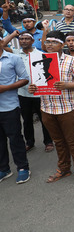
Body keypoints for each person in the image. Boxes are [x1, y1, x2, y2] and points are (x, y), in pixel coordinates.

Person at [28, 30, 74, 185]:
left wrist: (67, 85)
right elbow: (37, 83)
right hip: (47, 108)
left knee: (73, 140)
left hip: (67, 108)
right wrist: (33, 89)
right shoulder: (38, 60)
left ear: (62, 44)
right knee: (58, 141)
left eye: (54, 42)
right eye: (47, 42)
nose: (49, 45)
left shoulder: (71, 61)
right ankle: (64, 168)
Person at [2, 31, 53, 152]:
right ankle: (30, 142)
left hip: (40, 93)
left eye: (26, 39)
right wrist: (13, 35)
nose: (24, 41)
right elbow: (2, 45)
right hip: (23, 93)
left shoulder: (40, 54)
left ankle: (48, 141)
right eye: (21, 39)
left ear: (32, 41)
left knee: (44, 119)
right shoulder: (14, 54)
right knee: (26, 120)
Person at [0, 33, 31, 184]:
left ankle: (23, 168)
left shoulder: (13, 59)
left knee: (15, 139)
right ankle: (4, 169)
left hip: (9, 106)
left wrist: (6, 88)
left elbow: (25, 79)